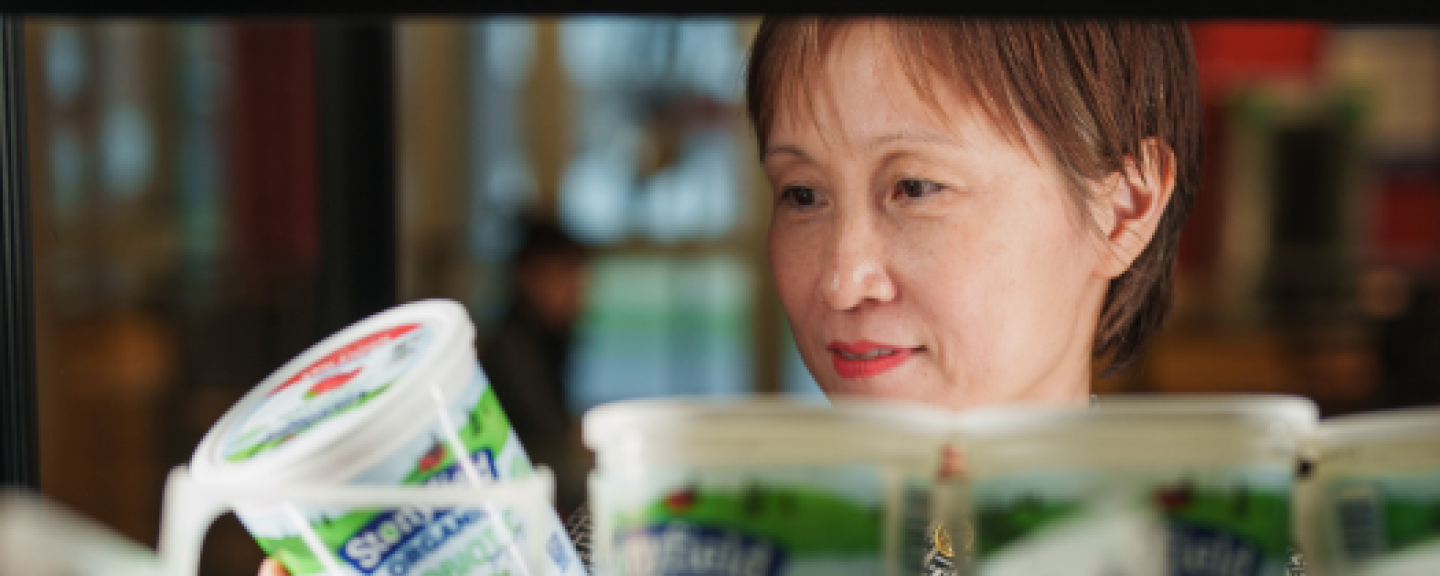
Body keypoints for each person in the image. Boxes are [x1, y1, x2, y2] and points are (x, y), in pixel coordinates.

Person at [262, 16, 1203, 576]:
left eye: (915, 187)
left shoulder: (1261, 549)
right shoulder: (641, 553)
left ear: (1126, 203)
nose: (841, 277)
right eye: (802, 194)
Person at [480, 218, 592, 515]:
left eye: (576, 277)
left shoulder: (548, 337)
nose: (574, 291)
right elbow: (552, 433)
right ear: (528, 277)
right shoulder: (511, 346)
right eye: (561, 276)